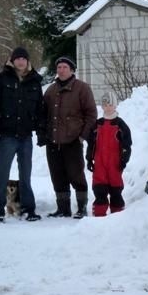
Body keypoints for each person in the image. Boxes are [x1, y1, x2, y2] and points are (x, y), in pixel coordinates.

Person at [0, 46, 43, 223]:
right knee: (2, 173)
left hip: (26, 136)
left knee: (26, 174)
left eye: (23, 58)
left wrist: (40, 132)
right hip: (6, 135)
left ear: (28, 61)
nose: (20, 61)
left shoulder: (34, 81)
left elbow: (40, 109)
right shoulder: (1, 79)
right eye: (17, 58)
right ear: (12, 60)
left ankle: (28, 208)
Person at [41, 56, 97, 219]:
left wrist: (82, 136)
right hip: (53, 141)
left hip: (73, 140)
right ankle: (63, 208)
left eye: (65, 67)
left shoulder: (82, 88)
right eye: (59, 67)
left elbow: (91, 114)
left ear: (72, 70)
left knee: (76, 175)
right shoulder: (50, 90)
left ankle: (81, 207)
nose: (61, 70)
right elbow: (43, 114)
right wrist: (44, 134)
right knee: (57, 176)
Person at [85, 91, 132, 216]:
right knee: (99, 187)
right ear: (102, 106)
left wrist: (124, 159)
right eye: (105, 104)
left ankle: (117, 214)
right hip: (99, 161)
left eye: (110, 104)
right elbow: (91, 143)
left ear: (115, 105)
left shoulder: (120, 124)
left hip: (114, 162)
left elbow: (127, 144)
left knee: (115, 187)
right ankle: (99, 213)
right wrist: (89, 159)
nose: (108, 107)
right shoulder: (97, 124)